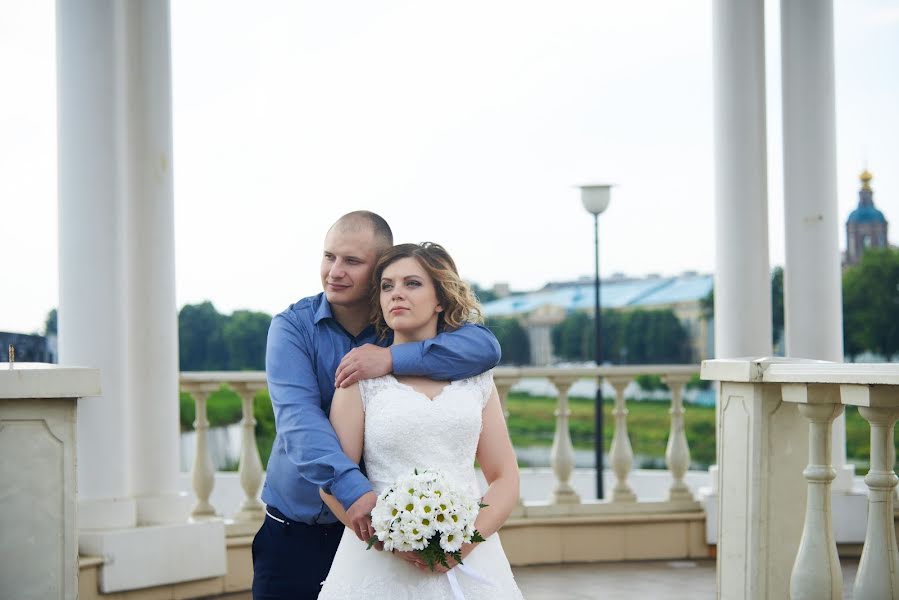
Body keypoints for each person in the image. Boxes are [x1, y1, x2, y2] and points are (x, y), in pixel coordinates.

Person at [253, 213, 501, 600]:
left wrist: (389, 360)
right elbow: (299, 422)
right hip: (297, 530)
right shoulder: (292, 327)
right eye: (329, 256)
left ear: (379, 267)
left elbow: (485, 347)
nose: (335, 271)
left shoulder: (398, 323)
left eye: (352, 261)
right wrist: (355, 493)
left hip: (389, 534)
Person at [319, 242, 523, 599]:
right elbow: (331, 482)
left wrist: (464, 545)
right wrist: (393, 541)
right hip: (380, 564)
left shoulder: (476, 379)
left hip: (471, 557)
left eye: (412, 283)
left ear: (441, 298)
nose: (396, 293)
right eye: (387, 286)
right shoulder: (359, 379)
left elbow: (504, 476)